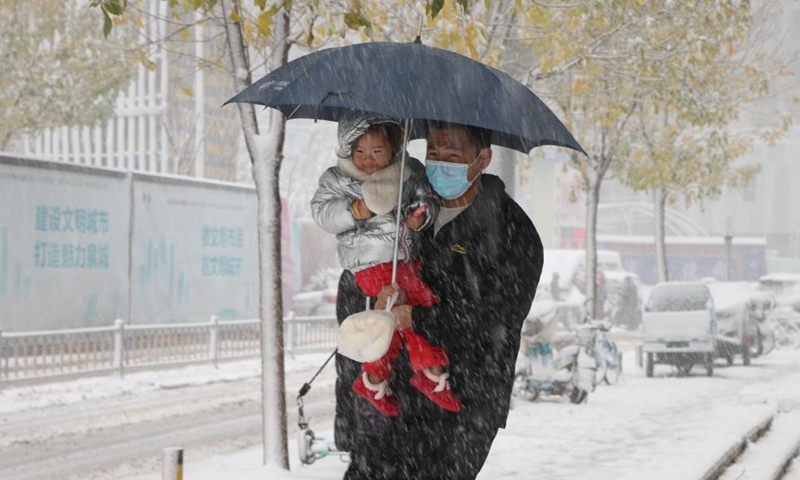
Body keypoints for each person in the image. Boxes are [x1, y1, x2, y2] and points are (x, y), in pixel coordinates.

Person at [335, 120, 543, 480]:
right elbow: (353, 284)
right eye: (433, 152)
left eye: (452, 153)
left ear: (483, 158)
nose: (439, 161)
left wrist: (419, 319)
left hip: (463, 400)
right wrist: (375, 299)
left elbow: (499, 318)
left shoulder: (513, 231)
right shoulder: (406, 211)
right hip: (393, 394)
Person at [312, 111, 462, 419]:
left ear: (393, 148)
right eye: (360, 152)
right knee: (421, 304)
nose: (368, 160)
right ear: (347, 149)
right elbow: (323, 214)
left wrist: (419, 217)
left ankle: (374, 381)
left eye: (377, 152)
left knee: (391, 323)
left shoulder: (408, 171)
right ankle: (432, 372)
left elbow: (426, 200)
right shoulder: (338, 179)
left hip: (404, 260)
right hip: (369, 260)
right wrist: (356, 210)